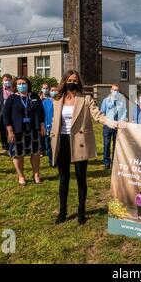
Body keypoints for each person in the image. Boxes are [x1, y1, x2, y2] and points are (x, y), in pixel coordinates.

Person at [50, 70, 117, 225]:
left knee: (81, 179)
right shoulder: (58, 99)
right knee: (63, 178)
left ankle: (81, 211)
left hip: (79, 141)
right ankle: (63, 211)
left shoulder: (86, 99)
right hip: (62, 141)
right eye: (69, 79)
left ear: (78, 82)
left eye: (74, 80)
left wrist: (111, 123)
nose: (71, 82)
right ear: (64, 81)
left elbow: (98, 115)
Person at [3, 76, 46, 186]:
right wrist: (10, 131)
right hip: (17, 130)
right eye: (19, 84)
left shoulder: (34, 96)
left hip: (34, 129)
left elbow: (41, 111)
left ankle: (36, 174)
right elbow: (6, 116)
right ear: (15, 86)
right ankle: (21, 176)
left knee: (36, 153)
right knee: (18, 154)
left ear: (28, 85)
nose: (22, 85)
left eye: (24, 83)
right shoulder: (11, 98)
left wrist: (42, 125)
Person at [100, 84, 127, 170]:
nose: (115, 92)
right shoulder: (106, 100)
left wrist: (120, 122)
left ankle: (115, 162)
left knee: (116, 145)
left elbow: (124, 112)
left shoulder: (121, 102)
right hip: (108, 126)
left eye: (117, 90)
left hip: (117, 126)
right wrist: (107, 121)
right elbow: (102, 112)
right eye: (114, 90)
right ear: (111, 90)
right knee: (107, 144)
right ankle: (106, 162)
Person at [42, 85, 58, 166]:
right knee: (48, 145)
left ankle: (58, 160)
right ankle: (51, 161)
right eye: (52, 90)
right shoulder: (45, 102)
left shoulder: (60, 101)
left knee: (58, 145)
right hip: (48, 127)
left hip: (58, 128)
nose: (54, 91)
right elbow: (43, 115)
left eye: (55, 90)